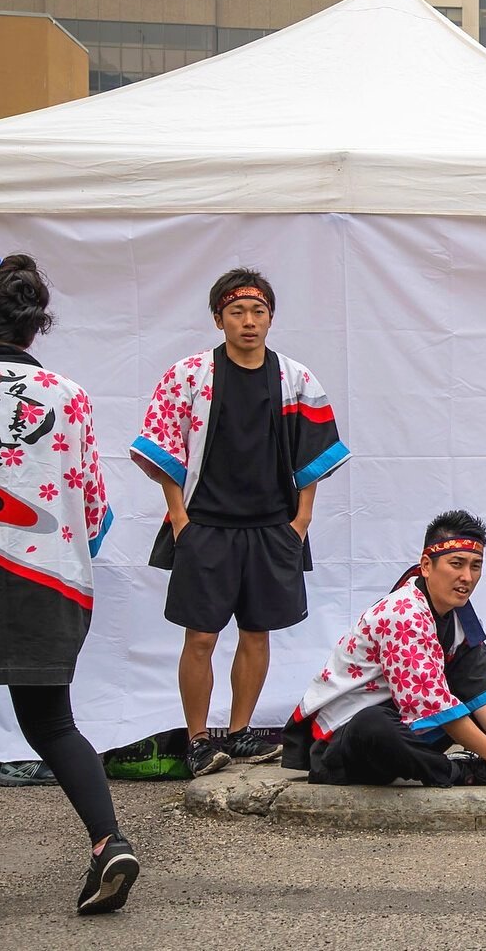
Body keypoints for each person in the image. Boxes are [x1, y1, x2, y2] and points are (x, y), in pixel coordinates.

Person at [0, 255, 138, 924]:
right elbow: (93, 506)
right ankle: (107, 842)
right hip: (49, 579)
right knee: (53, 722)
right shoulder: (69, 396)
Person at [129, 269, 350, 778]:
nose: (249, 322)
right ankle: (198, 739)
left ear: (271, 317)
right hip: (204, 521)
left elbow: (313, 452)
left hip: (274, 523)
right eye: (237, 312)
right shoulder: (188, 376)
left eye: (258, 311)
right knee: (200, 637)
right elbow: (163, 446)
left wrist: (302, 518)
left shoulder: (296, 378)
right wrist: (180, 517)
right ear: (218, 319)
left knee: (257, 632)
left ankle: (240, 730)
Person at [281, 510, 486, 787]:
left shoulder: (459, 613)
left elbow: (478, 687)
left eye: (475, 566)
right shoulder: (403, 613)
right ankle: (461, 771)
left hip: (405, 727)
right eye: (456, 563)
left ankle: (476, 763)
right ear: (426, 565)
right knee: (372, 724)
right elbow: (432, 706)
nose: (467, 577)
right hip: (342, 743)